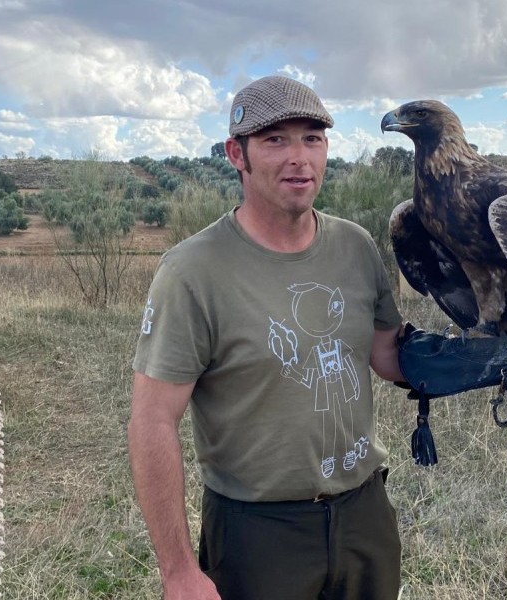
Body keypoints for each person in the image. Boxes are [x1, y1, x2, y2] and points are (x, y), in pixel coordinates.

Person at [128, 75, 405, 600]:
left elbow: (388, 355)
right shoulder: (192, 272)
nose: (299, 157)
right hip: (258, 532)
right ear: (238, 154)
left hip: (364, 515)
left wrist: (482, 358)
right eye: (276, 139)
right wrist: (179, 572)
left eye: (312, 138)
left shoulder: (357, 246)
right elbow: (152, 420)